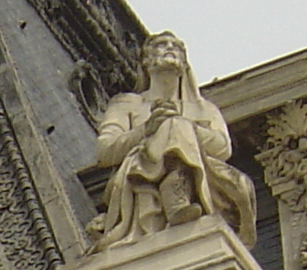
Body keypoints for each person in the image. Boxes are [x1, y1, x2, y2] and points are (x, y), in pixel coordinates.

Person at [87, 32, 256, 249]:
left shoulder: (204, 108)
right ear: (146, 61)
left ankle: (176, 187)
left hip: (202, 176)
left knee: (176, 124)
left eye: (176, 47)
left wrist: (184, 127)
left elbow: (223, 148)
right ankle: (174, 197)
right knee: (172, 124)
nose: (169, 48)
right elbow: (105, 151)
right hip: (143, 170)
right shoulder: (128, 103)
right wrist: (147, 129)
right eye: (160, 45)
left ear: (184, 64)